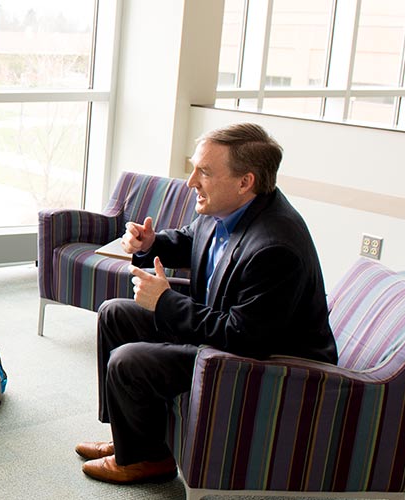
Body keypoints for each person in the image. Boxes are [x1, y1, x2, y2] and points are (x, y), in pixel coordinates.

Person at [76, 123, 338, 484]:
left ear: (245, 181)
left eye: (205, 172)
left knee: (128, 360)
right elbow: (190, 240)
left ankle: (147, 460)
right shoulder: (230, 209)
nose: (190, 182)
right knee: (115, 314)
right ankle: (131, 441)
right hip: (232, 335)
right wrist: (151, 244)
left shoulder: (275, 247)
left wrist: (164, 301)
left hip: (265, 362)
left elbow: (243, 337)